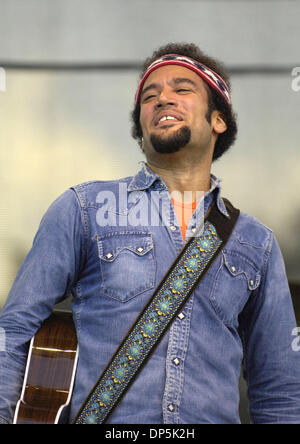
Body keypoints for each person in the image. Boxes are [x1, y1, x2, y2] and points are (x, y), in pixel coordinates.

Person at [0, 42, 300, 425]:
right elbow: (14, 332)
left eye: (182, 89)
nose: (162, 100)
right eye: (149, 96)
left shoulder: (256, 242)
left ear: (218, 120)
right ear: (140, 128)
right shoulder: (83, 208)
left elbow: (281, 390)